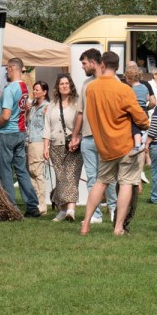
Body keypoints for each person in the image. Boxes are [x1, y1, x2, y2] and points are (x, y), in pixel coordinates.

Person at [80, 51, 149, 236]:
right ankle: (118, 227)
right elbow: (140, 117)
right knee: (126, 183)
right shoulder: (124, 89)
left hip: (103, 144)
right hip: (124, 143)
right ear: (118, 67)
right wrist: (145, 124)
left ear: (102, 64)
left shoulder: (91, 88)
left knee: (100, 182)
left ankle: (86, 223)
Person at [74, 49, 114, 223]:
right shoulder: (86, 84)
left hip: (107, 138)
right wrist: (76, 135)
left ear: (93, 62)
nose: (82, 67)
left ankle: (114, 209)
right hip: (88, 137)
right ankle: (96, 214)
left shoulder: (113, 81)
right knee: (92, 177)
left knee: (110, 178)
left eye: (84, 63)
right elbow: (81, 112)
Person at [0, 58, 39, 217]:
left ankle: (11, 207)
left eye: (7, 69)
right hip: (21, 131)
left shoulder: (10, 89)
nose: (6, 72)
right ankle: (32, 205)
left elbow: (6, 115)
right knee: (21, 170)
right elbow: (24, 108)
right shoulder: (24, 87)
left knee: (6, 171)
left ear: (11, 68)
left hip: (8, 132)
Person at [44, 73, 82, 221]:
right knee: (60, 178)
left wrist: (77, 138)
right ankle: (61, 209)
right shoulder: (52, 105)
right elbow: (47, 127)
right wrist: (46, 147)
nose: (64, 86)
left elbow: (83, 124)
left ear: (70, 85)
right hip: (55, 145)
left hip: (73, 146)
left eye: (67, 83)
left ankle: (71, 210)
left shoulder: (78, 103)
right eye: (61, 84)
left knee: (71, 176)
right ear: (57, 87)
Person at [26, 80, 51, 215]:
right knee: (32, 173)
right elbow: (27, 122)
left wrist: (47, 146)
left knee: (38, 173)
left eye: (37, 90)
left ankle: (42, 205)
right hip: (30, 140)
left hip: (39, 142)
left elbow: (48, 127)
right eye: (34, 90)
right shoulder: (34, 106)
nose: (34, 92)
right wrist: (27, 112)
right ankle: (35, 203)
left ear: (44, 92)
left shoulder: (47, 107)